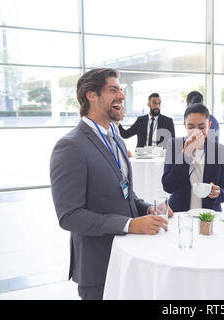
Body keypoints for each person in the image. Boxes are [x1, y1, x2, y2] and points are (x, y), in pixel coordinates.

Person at [50, 68, 172, 300]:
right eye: (113, 90)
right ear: (91, 95)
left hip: (127, 258)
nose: (122, 97)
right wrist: (129, 224)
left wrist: (148, 208)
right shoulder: (70, 146)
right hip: (98, 266)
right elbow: (70, 216)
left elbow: (125, 193)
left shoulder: (114, 135)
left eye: (121, 90)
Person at [162, 103, 224, 212]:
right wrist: (186, 154)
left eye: (201, 127)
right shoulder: (174, 145)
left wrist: (218, 193)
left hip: (209, 214)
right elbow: (168, 186)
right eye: (191, 127)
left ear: (209, 125)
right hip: (180, 212)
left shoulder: (221, 151)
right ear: (184, 125)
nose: (196, 131)